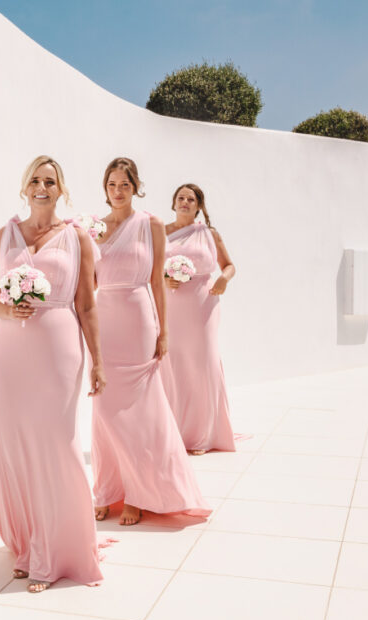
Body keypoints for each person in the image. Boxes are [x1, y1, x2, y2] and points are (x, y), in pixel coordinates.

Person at [0, 155, 106, 593]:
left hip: (59, 350)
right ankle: (29, 545)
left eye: (50, 181)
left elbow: (87, 306)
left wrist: (99, 361)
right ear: (24, 186)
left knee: (57, 446)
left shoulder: (78, 240)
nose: (42, 186)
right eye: (35, 179)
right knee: (17, 447)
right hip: (11, 353)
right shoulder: (6, 235)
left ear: (61, 189)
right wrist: (8, 309)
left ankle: (57, 551)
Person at [90, 157, 210, 526]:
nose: (118, 191)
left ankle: (139, 495)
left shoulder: (150, 224)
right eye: (112, 184)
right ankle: (109, 490)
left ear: (135, 186)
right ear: (105, 187)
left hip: (139, 318)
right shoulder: (94, 228)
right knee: (104, 410)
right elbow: (89, 281)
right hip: (104, 319)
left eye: (125, 184)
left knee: (141, 412)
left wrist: (164, 329)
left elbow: (157, 280)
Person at [161, 184, 237, 454]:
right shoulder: (162, 232)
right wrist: (162, 277)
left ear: (198, 205)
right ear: (173, 203)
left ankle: (202, 435)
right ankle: (174, 433)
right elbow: (147, 267)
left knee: (203, 363)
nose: (184, 202)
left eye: (190, 199)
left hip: (203, 304)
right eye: (180, 198)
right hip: (170, 306)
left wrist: (223, 280)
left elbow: (229, 265)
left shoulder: (209, 234)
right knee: (174, 364)